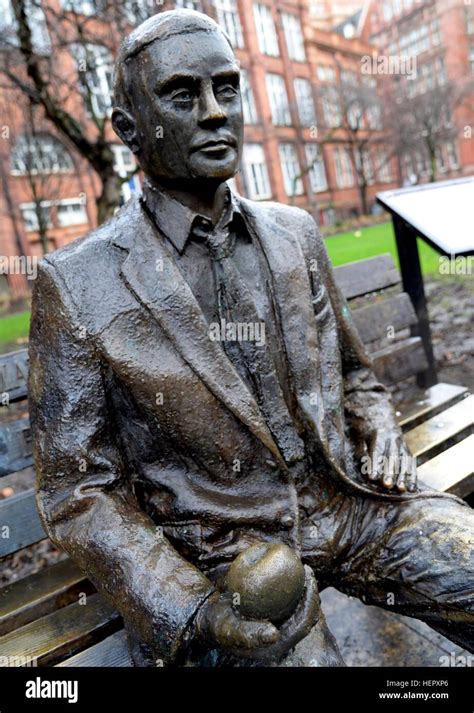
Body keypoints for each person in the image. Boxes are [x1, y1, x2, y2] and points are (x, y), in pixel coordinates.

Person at [29, 10, 473, 667]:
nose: (214, 112)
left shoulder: (295, 232)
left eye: (227, 89)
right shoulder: (76, 283)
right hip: (227, 557)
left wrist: (377, 427)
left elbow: (357, 375)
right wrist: (195, 609)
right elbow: (78, 491)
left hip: (350, 509)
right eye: (183, 95)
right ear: (128, 129)